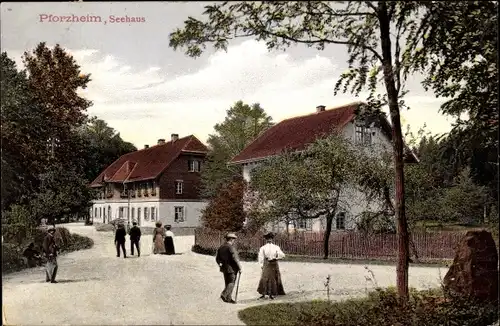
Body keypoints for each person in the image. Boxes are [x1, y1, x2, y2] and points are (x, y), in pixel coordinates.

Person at [257, 232, 286, 299]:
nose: (269, 240)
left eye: (270, 238)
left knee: (274, 278)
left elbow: (282, 255)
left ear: (272, 239)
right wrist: (261, 265)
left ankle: (273, 293)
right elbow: (260, 257)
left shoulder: (276, 247)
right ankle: (264, 293)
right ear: (266, 239)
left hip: (273, 263)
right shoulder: (263, 248)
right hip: (267, 263)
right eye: (268, 238)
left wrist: (276, 258)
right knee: (265, 277)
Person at [215, 233, 242, 304]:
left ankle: (228, 298)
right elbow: (235, 258)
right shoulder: (231, 247)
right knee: (231, 282)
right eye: (233, 239)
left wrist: (220, 264)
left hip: (224, 268)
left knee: (227, 283)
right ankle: (224, 294)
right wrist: (240, 267)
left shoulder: (221, 247)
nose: (234, 241)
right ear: (231, 239)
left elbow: (217, 258)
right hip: (232, 268)